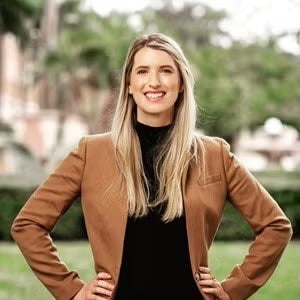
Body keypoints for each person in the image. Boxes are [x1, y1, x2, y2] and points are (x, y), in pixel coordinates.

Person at [11, 32, 292, 300]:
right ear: (130, 85)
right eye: (142, 71)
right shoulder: (91, 153)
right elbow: (29, 224)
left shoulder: (214, 154)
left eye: (166, 71)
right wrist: (70, 290)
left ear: (181, 83)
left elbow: (275, 226)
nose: (154, 82)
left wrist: (235, 288)